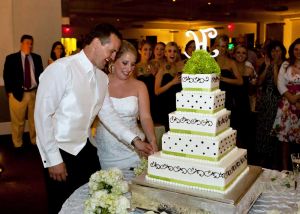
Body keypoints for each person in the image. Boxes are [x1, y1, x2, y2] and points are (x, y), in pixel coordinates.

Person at [34, 23, 154, 214]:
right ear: (97, 43)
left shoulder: (101, 77)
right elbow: (42, 116)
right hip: (59, 149)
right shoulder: (61, 69)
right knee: (61, 205)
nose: (113, 57)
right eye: (112, 51)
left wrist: (135, 141)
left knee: (89, 201)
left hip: (84, 149)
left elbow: (108, 115)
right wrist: (53, 159)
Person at [95, 40, 158, 181]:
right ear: (113, 60)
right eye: (125, 63)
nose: (129, 68)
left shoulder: (140, 86)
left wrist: (152, 140)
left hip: (135, 149)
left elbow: (146, 117)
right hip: (108, 148)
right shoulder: (101, 82)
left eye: (133, 64)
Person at [3, 34, 43, 149]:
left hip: (34, 93)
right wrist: (9, 92)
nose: (29, 46)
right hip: (17, 94)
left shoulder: (37, 58)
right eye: (27, 43)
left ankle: (34, 140)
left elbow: (40, 75)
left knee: (34, 120)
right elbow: (7, 76)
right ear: (21, 43)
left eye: (31, 44)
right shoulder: (11, 58)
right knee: (18, 122)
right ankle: (17, 143)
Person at [255, 40, 286, 169]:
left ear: (282, 52)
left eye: (278, 50)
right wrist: (267, 66)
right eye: (273, 50)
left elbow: (277, 85)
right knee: (263, 128)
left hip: (277, 100)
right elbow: (259, 82)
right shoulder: (266, 64)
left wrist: (273, 68)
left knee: (274, 129)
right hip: (265, 100)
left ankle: (274, 158)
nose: (275, 53)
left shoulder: (285, 65)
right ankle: (263, 156)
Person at [272, 38, 300, 170]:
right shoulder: (285, 65)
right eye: (296, 49)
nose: (298, 52)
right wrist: (291, 98)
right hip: (287, 105)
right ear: (292, 50)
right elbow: (280, 84)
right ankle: (284, 169)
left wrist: (297, 98)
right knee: (285, 141)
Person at [214, 35, 243, 145]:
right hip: (212, 98)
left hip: (227, 98)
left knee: (226, 127)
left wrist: (223, 78)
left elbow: (240, 81)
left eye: (224, 46)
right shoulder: (210, 61)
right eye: (219, 46)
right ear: (215, 46)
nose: (221, 49)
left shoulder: (231, 62)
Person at [154, 42, 183, 130]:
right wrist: (172, 82)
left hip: (179, 105)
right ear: (165, 53)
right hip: (165, 106)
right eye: (169, 51)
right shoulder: (162, 69)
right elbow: (157, 91)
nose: (172, 54)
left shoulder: (181, 68)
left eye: (174, 51)